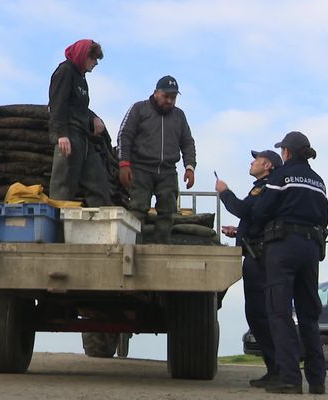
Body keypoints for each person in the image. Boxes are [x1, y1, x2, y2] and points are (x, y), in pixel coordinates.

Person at [251, 131, 328, 395]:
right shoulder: (319, 181)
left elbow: (261, 210)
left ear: (286, 152)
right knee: (309, 316)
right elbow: (324, 217)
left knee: (279, 313)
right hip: (311, 247)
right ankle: (317, 381)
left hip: (283, 247)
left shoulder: (280, 177)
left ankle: (290, 379)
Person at [215, 150, 283, 388]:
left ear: (267, 165)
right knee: (258, 316)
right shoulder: (264, 188)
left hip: (259, 259)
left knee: (259, 315)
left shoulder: (264, 188)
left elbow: (245, 210)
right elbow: (255, 219)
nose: (251, 162)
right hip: (256, 254)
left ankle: (277, 369)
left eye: (256, 160)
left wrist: (224, 192)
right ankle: (274, 368)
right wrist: (239, 232)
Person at [117, 76, 196, 243]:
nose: (169, 100)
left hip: (168, 171)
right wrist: (124, 163)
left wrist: (190, 167)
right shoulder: (139, 109)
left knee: (167, 213)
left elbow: (188, 142)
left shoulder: (179, 116)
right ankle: (133, 249)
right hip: (140, 169)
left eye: (173, 97)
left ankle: (162, 251)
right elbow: (125, 135)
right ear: (156, 93)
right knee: (137, 210)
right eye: (166, 96)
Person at [48, 39, 112, 206]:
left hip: (83, 138)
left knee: (99, 183)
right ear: (84, 55)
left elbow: (80, 107)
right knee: (62, 187)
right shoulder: (65, 71)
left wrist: (93, 118)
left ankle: (102, 228)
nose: (96, 63)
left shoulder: (82, 79)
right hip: (69, 135)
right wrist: (61, 135)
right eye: (93, 58)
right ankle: (57, 230)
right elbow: (57, 104)